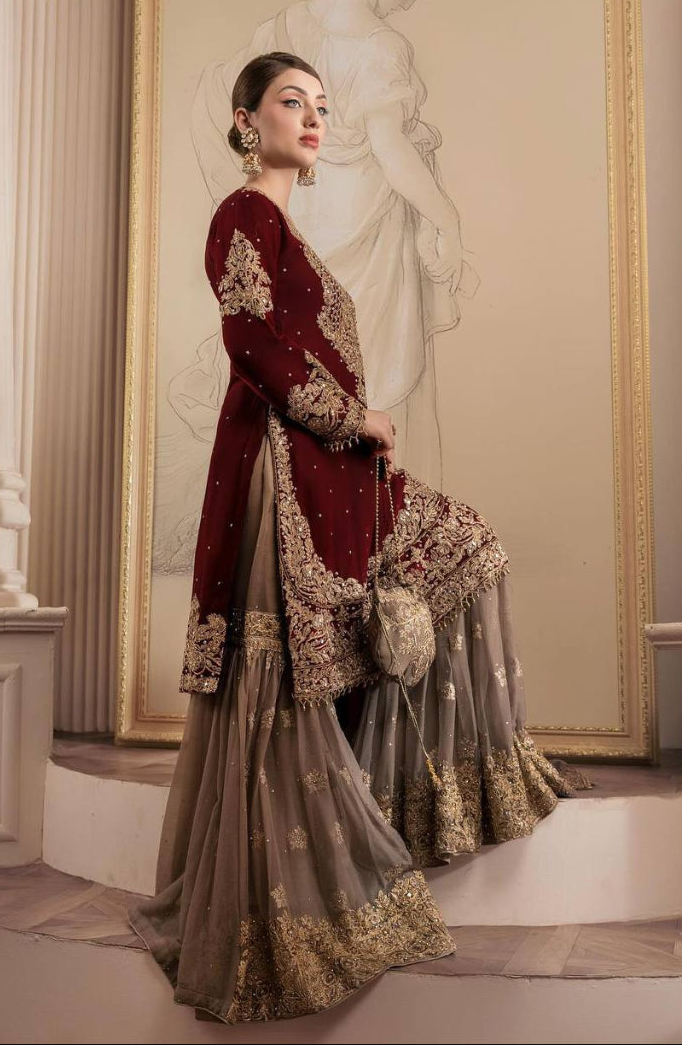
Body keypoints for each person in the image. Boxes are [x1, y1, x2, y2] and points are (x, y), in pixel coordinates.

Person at [127, 51, 587, 1025]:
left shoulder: (287, 224)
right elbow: (251, 348)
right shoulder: (243, 215)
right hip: (286, 474)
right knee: (296, 671)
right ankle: (300, 896)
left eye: (324, 105)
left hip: (327, 467)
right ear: (246, 120)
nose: (315, 117)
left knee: (459, 555)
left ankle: (426, 800)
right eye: (292, 102)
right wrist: (350, 417)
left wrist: (349, 428)